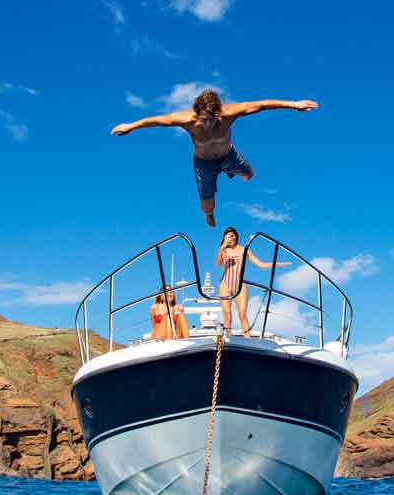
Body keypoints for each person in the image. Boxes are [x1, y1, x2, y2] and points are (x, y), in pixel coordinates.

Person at [110, 89, 318, 226]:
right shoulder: (186, 119)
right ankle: (209, 214)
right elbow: (155, 120)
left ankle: (234, 172)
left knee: (249, 174)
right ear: (196, 114)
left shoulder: (230, 113)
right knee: (207, 200)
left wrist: (294, 104)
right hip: (204, 163)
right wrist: (130, 126)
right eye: (203, 120)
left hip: (228, 156)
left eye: (211, 119)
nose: (207, 124)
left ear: (218, 112)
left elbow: (262, 105)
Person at [215, 227, 289, 337]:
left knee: (242, 313)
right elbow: (218, 264)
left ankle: (247, 337)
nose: (230, 237)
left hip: (240, 284)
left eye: (232, 235)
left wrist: (276, 264)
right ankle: (227, 337)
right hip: (225, 284)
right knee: (227, 313)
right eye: (228, 236)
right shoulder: (223, 250)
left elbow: (259, 263)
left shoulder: (244, 249)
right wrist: (222, 247)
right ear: (224, 238)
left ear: (236, 236)